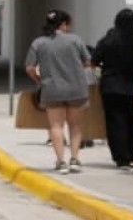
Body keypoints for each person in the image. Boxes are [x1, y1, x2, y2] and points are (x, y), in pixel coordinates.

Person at [25, 9, 92, 174]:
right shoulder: (75, 40)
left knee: (56, 126)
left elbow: (30, 68)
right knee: (75, 126)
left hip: (52, 89)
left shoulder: (39, 43)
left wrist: (39, 80)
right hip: (76, 89)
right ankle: (75, 159)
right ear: (63, 24)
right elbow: (87, 62)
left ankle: (61, 161)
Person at [91, 8, 133, 169]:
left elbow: (94, 60)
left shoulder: (108, 40)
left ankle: (121, 158)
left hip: (111, 87)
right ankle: (132, 156)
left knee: (115, 123)